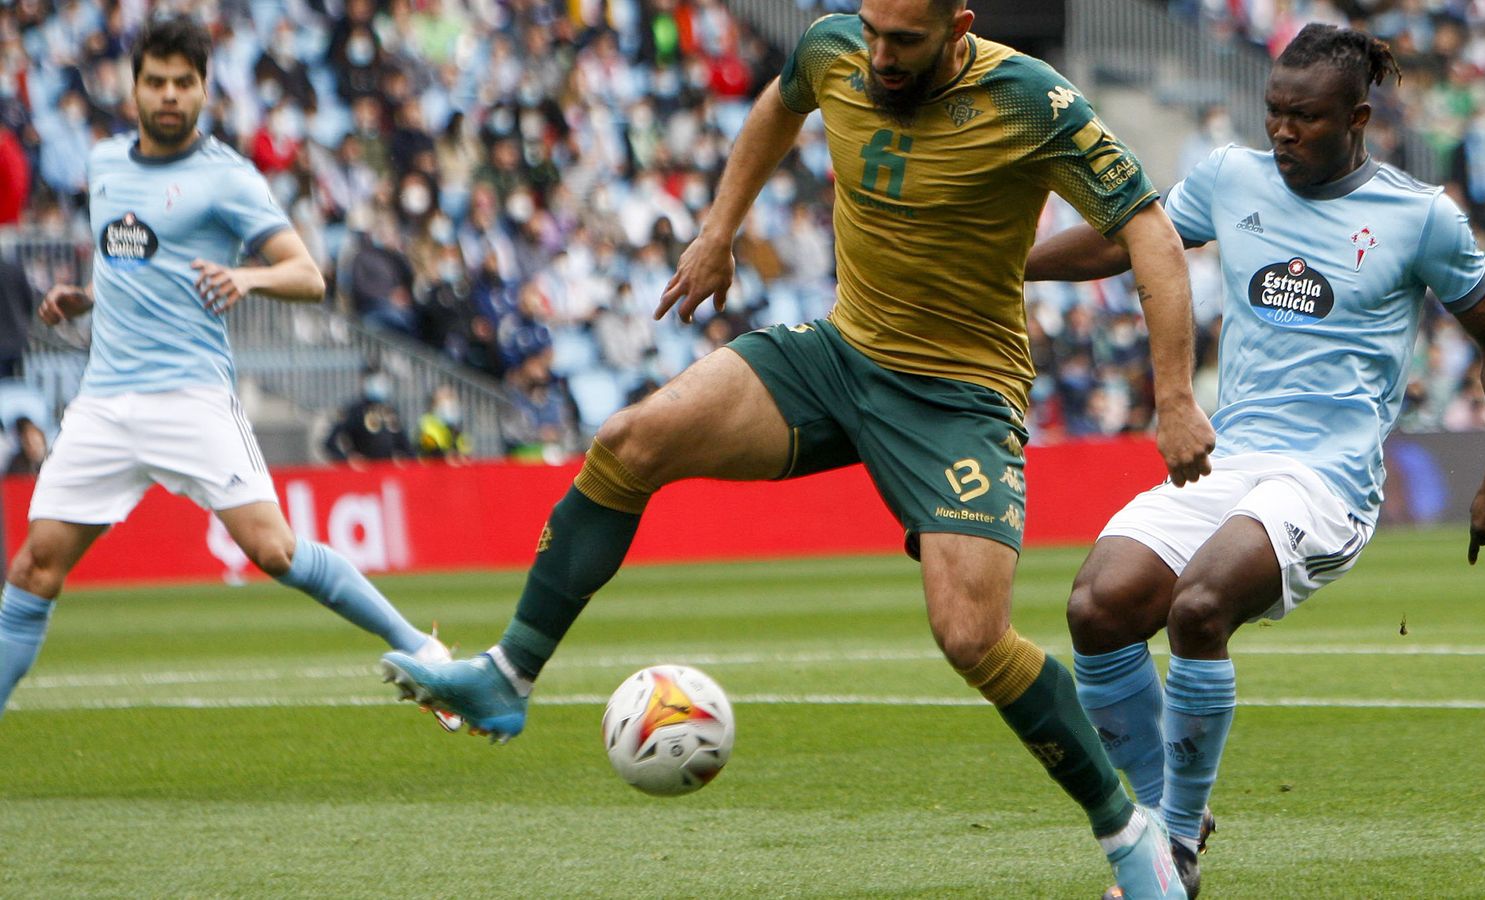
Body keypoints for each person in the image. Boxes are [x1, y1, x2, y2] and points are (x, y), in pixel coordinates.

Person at [381, 2, 1213, 896]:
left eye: (906, 43)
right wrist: (718, 230)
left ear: (959, 27)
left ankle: (1132, 840)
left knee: (971, 635)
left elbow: (1151, 234)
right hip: (842, 356)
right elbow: (780, 107)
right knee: (629, 441)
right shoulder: (833, 46)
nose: (880, 57)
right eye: (873, 34)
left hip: (959, 400)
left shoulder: (1030, 101)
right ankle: (508, 674)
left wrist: (1172, 398)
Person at [1025, 24, 1485, 899]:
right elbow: (1128, 241)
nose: (1283, 132)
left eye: (1305, 117)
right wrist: (1010, 265)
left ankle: (1175, 846)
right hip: (1233, 457)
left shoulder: (1422, 218)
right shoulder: (1231, 177)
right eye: (1275, 113)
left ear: (1358, 119)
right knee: (1098, 607)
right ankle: (1157, 814)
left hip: (1327, 481)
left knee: (1201, 604)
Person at [0, 17, 458, 729]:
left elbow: (307, 275)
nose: (171, 95)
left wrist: (247, 278)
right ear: (135, 87)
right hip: (106, 402)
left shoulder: (225, 178)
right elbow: (129, 257)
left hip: (191, 398)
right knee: (33, 570)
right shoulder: (103, 165)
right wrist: (87, 296)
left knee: (272, 549)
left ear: (206, 88)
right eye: (157, 81)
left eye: (185, 82)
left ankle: (420, 650)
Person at [324, 364, 415, 466]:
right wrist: (348, 460)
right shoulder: (355, 410)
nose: (380, 384)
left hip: (387, 472)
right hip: (364, 474)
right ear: (363, 381)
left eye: (382, 381)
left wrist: (406, 461)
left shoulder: (390, 412)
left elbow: (405, 445)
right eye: (376, 380)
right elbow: (330, 443)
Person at [416, 384, 471, 463]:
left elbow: (465, 448)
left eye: (451, 397)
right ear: (434, 403)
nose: (449, 404)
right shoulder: (426, 422)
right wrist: (445, 455)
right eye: (446, 398)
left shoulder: (457, 427)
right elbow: (425, 447)